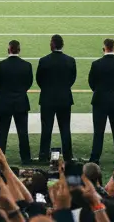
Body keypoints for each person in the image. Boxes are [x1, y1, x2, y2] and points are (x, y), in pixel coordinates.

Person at [36, 34, 76, 162]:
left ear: (52, 44)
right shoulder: (70, 60)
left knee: (46, 128)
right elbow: (72, 79)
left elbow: (39, 79)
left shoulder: (44, 60)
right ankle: (68, 155)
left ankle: (43, 155)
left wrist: (47, 89)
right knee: (65, 128)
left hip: (47, 98)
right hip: (64, 98)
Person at [88, 38, 114, 163]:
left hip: (100, 101)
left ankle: (95, 158)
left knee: (98, 132)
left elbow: (91, 83)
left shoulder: (96, 64)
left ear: (103, 48)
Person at [0, 40, 32, 162]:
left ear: (8, 49)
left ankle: (0, 157)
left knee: (2, 133)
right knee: (23, 133)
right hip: (21, 101)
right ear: (19, 50)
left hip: (4, 102)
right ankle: (26, 158)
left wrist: (5, 92)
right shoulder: (26, 65)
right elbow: (28, 83)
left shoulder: (1, 65)